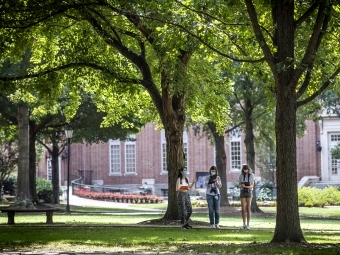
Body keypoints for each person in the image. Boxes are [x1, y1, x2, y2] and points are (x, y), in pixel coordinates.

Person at [238, 164, 255, 230]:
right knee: (243, 209)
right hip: (242, 192)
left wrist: (246, 186)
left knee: (248, 208)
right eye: (244, 169)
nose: (245, 171)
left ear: (248, 169)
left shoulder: (252, 175)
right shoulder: (241, 176)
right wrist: (241, 185)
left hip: (249, 192)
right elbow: (239, 185)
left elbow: (252, 185)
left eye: (246, 169)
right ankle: (244, 224)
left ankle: (248, 224)